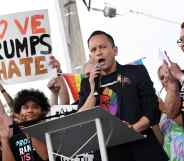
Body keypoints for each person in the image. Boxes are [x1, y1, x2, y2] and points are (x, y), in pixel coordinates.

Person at [78, 30, 168, 161]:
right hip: (108, 154)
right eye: (93, 50)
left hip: (142, 149)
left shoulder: (136, 72)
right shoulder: (87, 83)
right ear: (91, 56)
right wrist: (93, 90)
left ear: (115, 51)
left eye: (103, 47)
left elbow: (152, 109)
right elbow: (80, 121)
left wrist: (132, 130)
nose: (98, 52)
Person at [0, 89, 50, 161]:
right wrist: (4, 139)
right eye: (25, 107)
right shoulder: (12, 134)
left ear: (42, 111)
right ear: (18, 112)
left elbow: (50, 158)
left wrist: (27, 131)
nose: (30, 110)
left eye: (35, 107)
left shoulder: (48, 129)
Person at [158, 63, 184, 161]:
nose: (165, 78)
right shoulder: (162, 104)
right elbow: (162, 138)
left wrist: (164, 109)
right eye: (161, 77)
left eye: (167, 72)